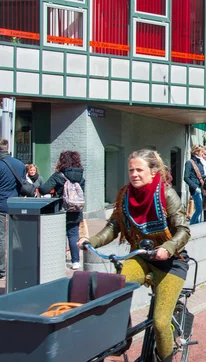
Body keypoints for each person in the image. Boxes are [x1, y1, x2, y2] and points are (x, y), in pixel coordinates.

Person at [78, 149, 190, 362]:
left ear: (153, 171)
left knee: (160, 322)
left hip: (171, 263)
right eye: (131, 170)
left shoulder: (166, 194)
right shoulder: (125, 195)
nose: (135, 174)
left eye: (140, 170)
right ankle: (121, 340)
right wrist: (90, 241)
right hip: (141, 256)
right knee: (114, 291)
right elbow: (114, 226)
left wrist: (168, 247)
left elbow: (184, 230)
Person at [0, 138, 26, 280]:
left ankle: (1, 270)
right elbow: (22, 185)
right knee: (16, 237)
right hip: (15, 204)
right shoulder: (19, 164)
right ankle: (18, 266)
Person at [38, 151, 85, 270]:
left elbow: (44, 189)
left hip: (61, 209)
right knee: (73, 235)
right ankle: (75, 261)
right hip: (75, 209)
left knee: (60, 235)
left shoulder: (58, 175)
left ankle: (60, 260)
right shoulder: (80, 176)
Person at [183, 145, 206, 224]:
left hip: (201, 188)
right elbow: (186, 177)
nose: (202, 154)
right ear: (197, 152)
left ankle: (197, 225)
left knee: (199, 209)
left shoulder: (200, 162)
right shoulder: (189, 162)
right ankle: (192, 225)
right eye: (201, 152)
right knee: (199, 209)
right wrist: (195, 187)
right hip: (195, 189)